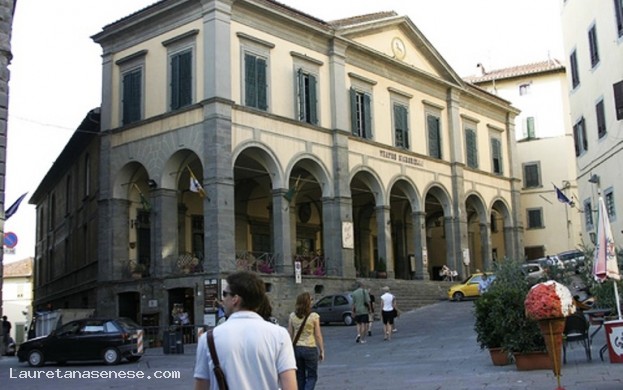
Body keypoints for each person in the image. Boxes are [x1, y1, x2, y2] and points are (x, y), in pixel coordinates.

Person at [194, 271, 297, 390]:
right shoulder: (280, 335)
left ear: (235, 299)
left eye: (225, 294)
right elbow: (290, 386)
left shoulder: (208, 338)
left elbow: (201, 386)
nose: (223, 299)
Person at [288, 292, 325, 390]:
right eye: (311, 300)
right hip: (310, 347)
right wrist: (321, 350)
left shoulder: (292, 316)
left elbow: (290, 334)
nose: (312, 302)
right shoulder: (314, 317)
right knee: (312, 376)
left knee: (300, 376)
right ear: (307, 302)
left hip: (297, 348)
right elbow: (317, 335)